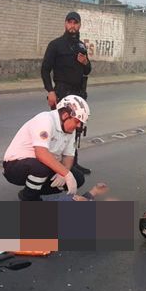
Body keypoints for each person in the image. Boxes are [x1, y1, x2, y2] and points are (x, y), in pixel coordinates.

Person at [3, 95, 90, 201]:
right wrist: (66, 174)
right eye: (77, 121)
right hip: (15, 166)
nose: (78, 126)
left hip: (42, 165)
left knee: (78, 178)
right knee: (42, 167)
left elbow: (69, 156)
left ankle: (34, 190)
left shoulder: (70, 130)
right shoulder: (45, 120)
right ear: (65, 115)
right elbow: (41, 153)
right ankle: (29, 197)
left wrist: (64, 173)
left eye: (81, 123)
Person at [41, 11, 92, 175]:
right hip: (61, 91)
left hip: (78, 92)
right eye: (70, 22)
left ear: (79, 25)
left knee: (76, 128)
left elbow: (87, 70)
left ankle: (73, 162)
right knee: (59, 128)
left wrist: (86, 62)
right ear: (65, 24)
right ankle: (51, 164)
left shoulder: (81, 46)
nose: (72, 25)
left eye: (75, 23)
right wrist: (50, 91)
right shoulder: (56, 45)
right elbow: (45, 69)